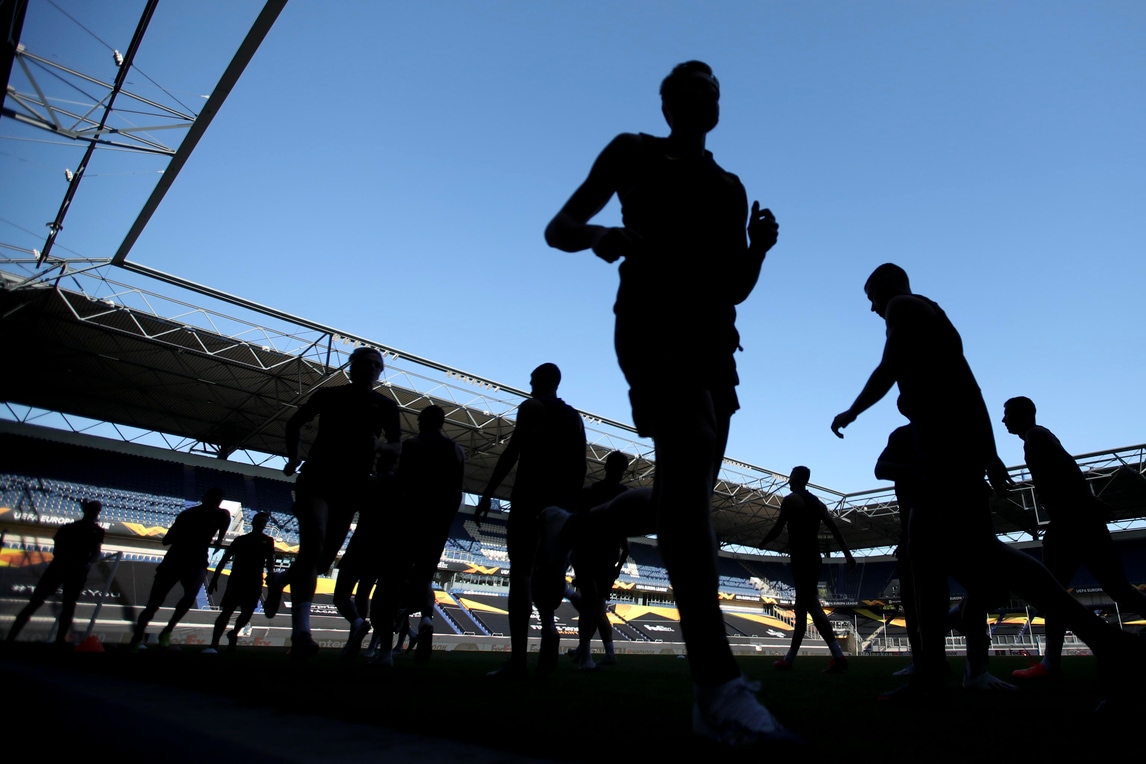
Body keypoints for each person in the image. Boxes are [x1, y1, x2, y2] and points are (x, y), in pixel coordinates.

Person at [545, 61, 796, 745]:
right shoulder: (632, 151)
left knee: (684, 497)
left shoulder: (730, 187)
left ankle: (573, 527)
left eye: (709, 88)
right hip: (653, 322)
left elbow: (734, 286)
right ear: (665, 102)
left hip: (716, 341)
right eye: (686, 87)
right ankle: (716, 687)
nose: (699, 95)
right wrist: (601, 236)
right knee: (690, 472)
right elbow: (559, 227)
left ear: (718, 107)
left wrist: (759, 250)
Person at [831, 263, 1144, 702]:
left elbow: (890, 368)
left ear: (887, 287)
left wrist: (853, 410)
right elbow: (970, 387)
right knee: (923, 553)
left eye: (871, 297)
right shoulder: (931, 317)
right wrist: (989, 452)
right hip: (946, 449)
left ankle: (1107, 640)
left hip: (947, 451)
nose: (872, 308)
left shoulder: (904, 305)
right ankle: (930, 673)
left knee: (980, 551)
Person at [265, 346, 402, 658]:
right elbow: (294, 422)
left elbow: (397, 447)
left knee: (320, 561)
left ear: (381, 372)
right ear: (351, 367)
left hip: (352, 486)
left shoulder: (385, 406)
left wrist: (379, 448)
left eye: (377, 365)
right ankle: (301, 633)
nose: (372, 368)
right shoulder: (329, 395)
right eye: (366, 363)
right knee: (313, 544)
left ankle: (280, 580)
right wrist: (294, 457)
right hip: (318, 477)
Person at [1003, 396, 1146, 681]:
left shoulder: (1036, 436)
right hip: (1078, 520)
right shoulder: (1037, 437)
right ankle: (1051, 663)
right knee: (1115, 588)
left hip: (1070, 522)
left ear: (1021, 414)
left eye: (1007, 414)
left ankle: (1051, 664)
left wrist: (1084, 502)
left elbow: (1066, 469)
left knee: (1054, 593)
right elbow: (1067, 469)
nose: (1003, 420)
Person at [474, 363, 586, 679]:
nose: (529, 385)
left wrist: (488, 493)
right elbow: (580, 465)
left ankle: (519, 659)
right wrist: (570, 506)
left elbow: (512, 452)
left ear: (539, 381)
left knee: (522, 574)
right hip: (560, 505)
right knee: (548, 572)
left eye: (532, 380)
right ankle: (548, 625)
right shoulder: (574, 417)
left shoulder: (531, 407)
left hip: (528, 499)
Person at [369, 404, 465, 667]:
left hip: (410, 520)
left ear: (422, 422)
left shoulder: (413, 445)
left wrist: (383, 478)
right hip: (438, 525)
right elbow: (457, 493)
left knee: (391, 583)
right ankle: (426, 619)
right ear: (442, 423)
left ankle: (385, 654)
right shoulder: (457, 451)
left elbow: (401, 483)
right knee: (424, 580)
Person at [760, 466, 855, 673]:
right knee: (801, 609)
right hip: (814, 557)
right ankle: (789, 660)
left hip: (801, 558)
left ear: (796, 478)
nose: (788, 479)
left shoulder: (791, 500)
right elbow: (834, 529)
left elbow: (778, 528)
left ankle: (838, 656)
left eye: (791, 475)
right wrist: (848, 554)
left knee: (811, 604)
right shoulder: (818, 503)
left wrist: (763, 542)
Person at [130, 488, 230, 649]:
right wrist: (191, 536)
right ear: (206, 499)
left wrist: (219, 539)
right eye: (215, 500)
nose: (216, 503)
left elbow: (223, 526)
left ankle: (164, 631)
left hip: (194, 561)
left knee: (186, 597)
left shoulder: (219, 515)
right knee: (155, 602)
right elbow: (167, 540)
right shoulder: (189, 515)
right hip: (176, 560)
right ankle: (138, 638)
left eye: (218, 500)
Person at [566, 451, 631, 670]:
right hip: (596, 556)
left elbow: (578, 522)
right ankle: (588, 655)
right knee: (593, 604)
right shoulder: (621, 495)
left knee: (593, 607)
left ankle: (586, 654)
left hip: (596, 556)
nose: (618, 473)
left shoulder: (595, 493)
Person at [6, 500, 104, 645]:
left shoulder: (81, 529)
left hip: (65, 569)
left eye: (96, 511)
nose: (95, 514)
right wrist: (84, 563)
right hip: (66, 569)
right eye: (94, 511)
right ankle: (16, 637)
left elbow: (92, 552)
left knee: (61, 606)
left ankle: (54, 640)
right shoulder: (80, 529)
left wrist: (84, 563)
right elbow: (93, 552)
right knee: (55, 605)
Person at [204, 511, 275, 654]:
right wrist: (214, 579)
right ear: (253, 522)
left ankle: (234, 633)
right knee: (226, 612)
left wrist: (271, 580)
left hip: (254, 581)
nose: (262, 524)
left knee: (247, 613)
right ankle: (214, 644)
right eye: (260, 521)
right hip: (237, 580)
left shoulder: (268, 541)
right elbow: (224, 559)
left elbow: (270, 564)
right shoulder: (241, 540)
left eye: (264, 521)